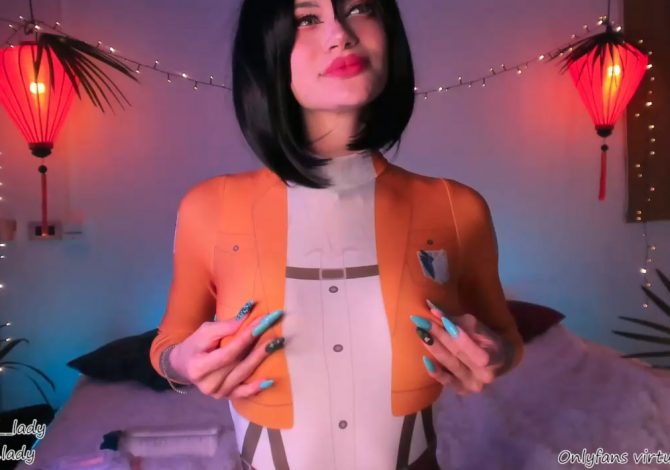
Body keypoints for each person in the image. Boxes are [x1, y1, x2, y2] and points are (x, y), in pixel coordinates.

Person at [149, 0, 525, 468]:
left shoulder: (457, 208)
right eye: (307, 18)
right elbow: (167, 345)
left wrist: (495, 356)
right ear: (266, 51)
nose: (341, 34)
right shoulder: (208, 208)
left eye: (360, 7)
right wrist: (183, 363)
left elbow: (507, 339)